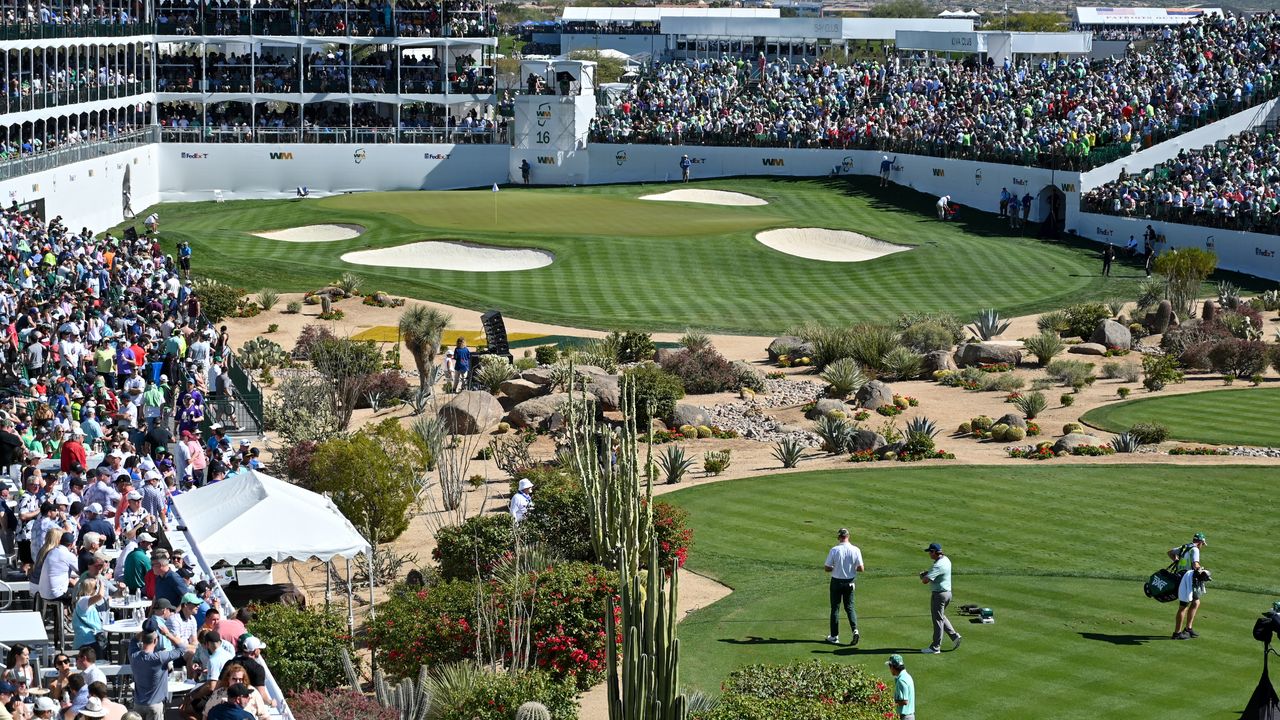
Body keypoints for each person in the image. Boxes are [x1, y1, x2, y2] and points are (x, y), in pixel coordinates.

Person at [130, 629, 188, 720]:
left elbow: (133, 641)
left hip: (138, 704)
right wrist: (167, 634)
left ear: (142, 639)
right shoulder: (160, 657)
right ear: (155, 641)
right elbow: (182, 649)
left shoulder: (133, 655)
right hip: (155, 705)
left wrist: (145, 630)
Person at [823, 527, 864, 646]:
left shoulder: (835, 550)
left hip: (836, 582)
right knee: (849, 607)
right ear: (848, 536)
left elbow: (826, 568)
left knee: (835, 609)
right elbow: (861, 568)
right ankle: (855, 630)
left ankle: (834, 636)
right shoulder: (856, 549)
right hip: (850, 582)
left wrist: (835, 568)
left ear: (839, 537)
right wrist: (851, 568)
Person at [919, 542, 961, 654]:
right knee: (941, 616)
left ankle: (935, 647)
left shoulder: (938, 565)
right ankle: (954, 636)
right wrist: (928, 574)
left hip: (939, 595)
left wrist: (923, 576)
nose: (929, 554)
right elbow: (937, 574)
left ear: (934, 552)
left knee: (937, 620)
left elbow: (925, 581)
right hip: (948, 594)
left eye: (930, 552)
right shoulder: (946, 560)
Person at [1170, 532, 1208, 639]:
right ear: (1200, 542)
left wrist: (1177, 561)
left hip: (1183, 578)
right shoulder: (1195, 549)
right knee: (1183, 607)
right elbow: (1196, 564)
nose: (1202, 546)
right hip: (1186, 580)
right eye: (1202, 544)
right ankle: (1177, 633)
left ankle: (1188, 629)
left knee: (1196, 602)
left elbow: (1170, 552)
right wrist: (1202, 571)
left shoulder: (1185, 546)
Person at [886, 654, 915, 720]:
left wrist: (892, 703)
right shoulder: (907, 676)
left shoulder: (901, 680)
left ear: (892, 667)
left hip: (905, 717)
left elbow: (904, 701)